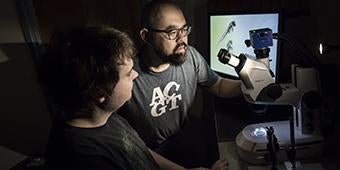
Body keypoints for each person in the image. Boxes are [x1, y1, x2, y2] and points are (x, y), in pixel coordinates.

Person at [42, 25, 214, 170]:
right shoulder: (86, 159)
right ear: (99, 92)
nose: (135, 75)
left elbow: (139, 151)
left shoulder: (105, 116)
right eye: (128, 73)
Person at [118, 0, 241, 168]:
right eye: (172, 32)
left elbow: (218, 85)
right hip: (149, 154)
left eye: (184, 30)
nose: (182, 39)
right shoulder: (127, 76)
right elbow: (129, 145)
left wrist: (247, 84)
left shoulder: (190, 57)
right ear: (146, 36)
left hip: (184, 140)